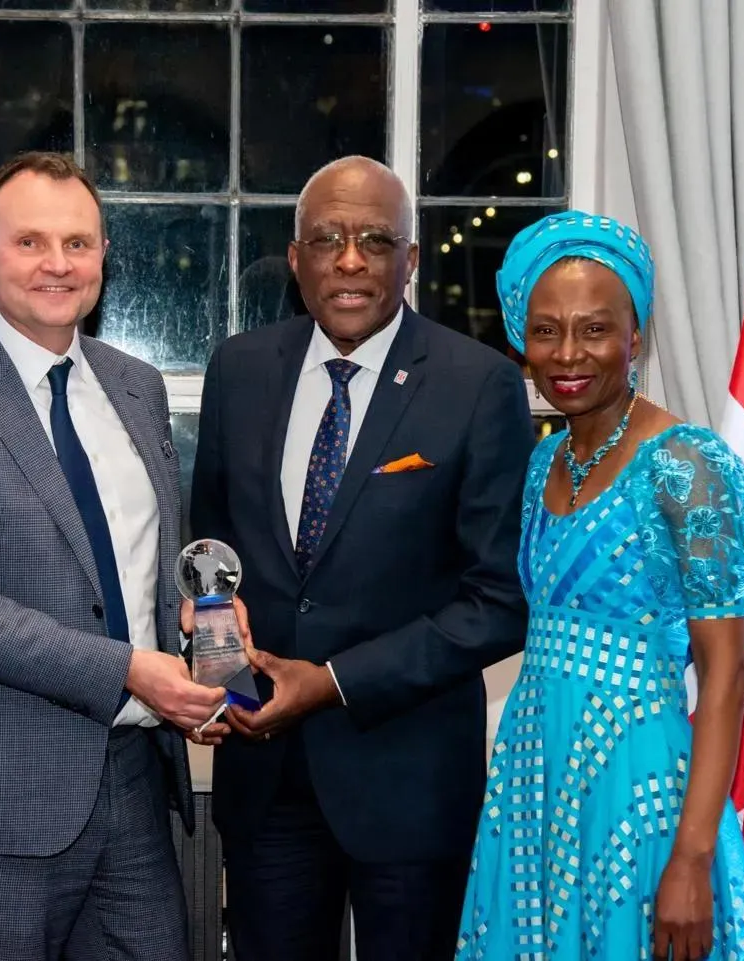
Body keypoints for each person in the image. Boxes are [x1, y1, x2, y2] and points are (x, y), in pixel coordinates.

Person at [0, 151, 227, 961]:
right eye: (30, 241)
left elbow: (149, 565)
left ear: (104, 255)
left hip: (137, 778)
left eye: (78, 242)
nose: (57, 263)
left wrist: (203, 630)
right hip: (0, 794)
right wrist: (130, 670)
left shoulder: (135, 386)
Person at [188, 155, 533, 960]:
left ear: (410, 260)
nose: (350, 260)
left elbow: (498, 598)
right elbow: (211, 552)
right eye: (328, 239)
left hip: (408, 784)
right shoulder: (239, 370)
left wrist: (335, 681)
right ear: (298, 256)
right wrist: (215, 672)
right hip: (266, 778)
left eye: (376, 240)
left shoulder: (476, 384)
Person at [454, 211, 744, 960]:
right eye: (546, 330)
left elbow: (724, 675)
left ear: (637, 336)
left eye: (595, 330)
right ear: (519, 338)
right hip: (536, 773)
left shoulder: (685, 465)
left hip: (640, 787)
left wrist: (691, 857)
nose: (568, 353)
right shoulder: (546, 463)